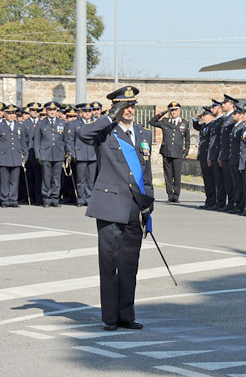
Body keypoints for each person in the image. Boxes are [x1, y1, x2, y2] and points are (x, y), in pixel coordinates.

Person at [78, 86, 154, 331]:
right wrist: (110, 116)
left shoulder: (143, 134)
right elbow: (83, 133)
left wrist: (148, 203)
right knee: (110, 264)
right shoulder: (105, 132)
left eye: (132, 105)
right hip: (110, 206)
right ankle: (110, 317)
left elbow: (146, 171)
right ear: (115, 107)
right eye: (124, 105)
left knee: (130, 263)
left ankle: (126, 315)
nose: (129, 110)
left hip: (135, 207)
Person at [149, 101, 190, 203]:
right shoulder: (165, 121)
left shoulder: (184, 123)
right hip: (167, 152)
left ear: (179, 111)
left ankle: (176, 196)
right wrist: (162, 113)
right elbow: (152, 122)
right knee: (168, 175)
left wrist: (186, 151)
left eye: (175, 110)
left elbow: (187, 138)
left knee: (177, 175)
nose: (174, 112)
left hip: (178, 152)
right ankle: (170, 195)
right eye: (171, 110)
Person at [0, 104, 26, 207]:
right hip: (4, 157)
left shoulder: (19, 126)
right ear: (5, 114)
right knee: (5, 181)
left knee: (14, 181)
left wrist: (24, 156)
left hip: (16, 157)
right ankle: (5, 200)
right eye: (9, 113)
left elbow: (23, 143)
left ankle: (13, 199)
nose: (11, 115)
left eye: (13, 113)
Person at [35, 101, 68, 208]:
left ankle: (55, 198)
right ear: (47, 111)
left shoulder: (62, 123)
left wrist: (67, 153)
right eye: (50, 110)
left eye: (54, 110)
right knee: (46, 177)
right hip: (45, 153)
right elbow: (37, 141)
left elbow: (66, 140)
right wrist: (38, 154)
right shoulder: (41, 123)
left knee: (57, 178)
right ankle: (46, 198)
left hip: (58, 153)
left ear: (57, 111)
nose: (52, 112)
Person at [66, 103, 98, 207]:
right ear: (81, 112)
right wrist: (71, 152)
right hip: (80, 153)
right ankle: (80, 197)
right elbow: (69, 139)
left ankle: (89, 198)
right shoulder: (74, 124)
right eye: (85, 111)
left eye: (89, 111)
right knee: (80, 179)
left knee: (90, 179)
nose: (87, 113)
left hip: (93, 153)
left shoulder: (96, 123)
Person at [192, 106, 216, 209]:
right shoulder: (205, 126)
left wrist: (209, 157)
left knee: (211, 180)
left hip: (208, 156)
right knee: (206, 180)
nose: (203, 118)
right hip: (203, 156)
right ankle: (208, 200)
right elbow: (196, 126)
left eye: (205, 115)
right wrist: (196, 119)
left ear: (211, 116)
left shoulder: (212, 126)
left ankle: (213, 201)